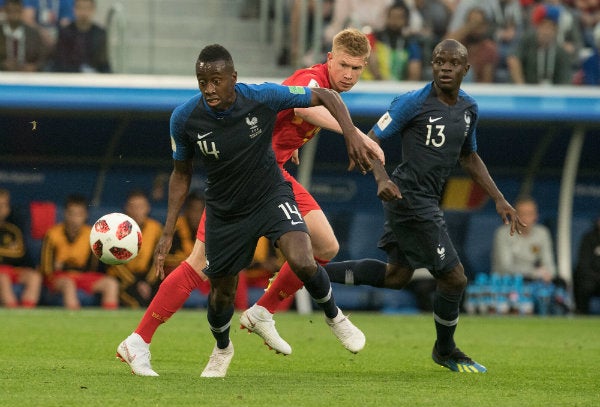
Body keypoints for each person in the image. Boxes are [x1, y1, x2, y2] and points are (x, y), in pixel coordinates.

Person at [115, 31, 382, 376]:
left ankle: (262, 312)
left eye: (356, 68)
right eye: (343, 64)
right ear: (330, 58)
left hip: (272, 179)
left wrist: (291, 139)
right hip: (237, 181)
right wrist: (357, 137)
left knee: (324, 245)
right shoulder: (309, 79)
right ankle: (140, 338)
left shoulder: (291, 88)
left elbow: (286, 105)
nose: (348, 74)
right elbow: (310, 103)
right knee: (199, 264)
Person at [259, 39, 523, 373]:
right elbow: (372, 138)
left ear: (465, 69)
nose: (444, 68)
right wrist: (382, 178)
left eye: (452, 63)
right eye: (439, 61)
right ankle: (445, 349)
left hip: (425, 200)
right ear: (431, 64)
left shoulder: (469, 109)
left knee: (397, 276)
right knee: (455, 279)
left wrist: (499, 198)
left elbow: (468, 156)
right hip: (410, 199)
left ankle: (311, 275)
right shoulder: (412, 103)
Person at [40, 194, 119, 310]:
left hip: (82, 277)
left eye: (79, 215)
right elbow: (46, 269)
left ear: (85, 215)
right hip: (60, 278)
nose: (74, 219)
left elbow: (94, 267)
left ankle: (112, 325)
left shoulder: (92, 235)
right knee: (68, 284)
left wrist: (64, 264)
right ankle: (73, 323)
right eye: (71, 214)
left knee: (111, 284)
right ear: (65, 214)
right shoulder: (52, 234)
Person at [107, 189, 162, 308]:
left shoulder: (156, 228)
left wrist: (147, 282)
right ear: (126, 208)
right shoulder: (116, 229)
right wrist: (136, 283)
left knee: (160, 302)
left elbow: (157, 259)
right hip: (124, 280)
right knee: (136, 303)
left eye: (141, 207)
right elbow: (115, 264)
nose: (137, 211)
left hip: (147, 278)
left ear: (148, 208)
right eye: (134, 207)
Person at [506, 4, 574, 85]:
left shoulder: (560, 52)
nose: (546, 32)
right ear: (537, 27)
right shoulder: (527, 41)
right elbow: (513, 60)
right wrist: (522, 88)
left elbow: (565, 80)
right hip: (528, 90)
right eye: (544, 27)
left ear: (556, 30)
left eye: (550, 28)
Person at [0, 188, 42, 308]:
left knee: (35, 277)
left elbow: (19, 253)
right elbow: (13, 253)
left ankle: (26, 314)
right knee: (3, 279)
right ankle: (13, 312)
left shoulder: (13, 230)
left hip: (12, 270)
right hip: (2, 275)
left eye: (3, 205)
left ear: (8, 209)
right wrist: (9, 251)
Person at [362, 2, 423, 81]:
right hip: (373, 85)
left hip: (398, 89)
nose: (395, 21)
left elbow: (414, 74)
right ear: (386, 17)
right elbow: (372, 64)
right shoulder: (373, 37)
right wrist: (382, 81)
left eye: (399, 17)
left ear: (406, 20)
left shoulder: (410, 43)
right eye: (392, 17)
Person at [50, 0, 110, 73]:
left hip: (95, 78)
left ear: (93, 10)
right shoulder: (65, 33)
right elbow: (60, 63)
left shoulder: (100, 34)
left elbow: (104, 63)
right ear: (74, 9)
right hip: (69, 77)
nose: (83, 12)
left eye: (87, 8)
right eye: (80, 8)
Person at [445, 7, 499, 83]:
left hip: (476, 89)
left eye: (478, 24)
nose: (475, 28)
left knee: (468, 72)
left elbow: (487, 81)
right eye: (471, 23)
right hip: (453, 87)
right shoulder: (459, 42)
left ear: (485, 26)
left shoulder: (489, 48)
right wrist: (469, 27)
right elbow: (444, 45)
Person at [0, 0, 45, 72]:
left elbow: (42, 58)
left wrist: (34, 67)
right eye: (10, 11)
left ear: (22, 11)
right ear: (4, 11)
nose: (13, 14)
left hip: (27, 78)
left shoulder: (33, 34)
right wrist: (2, 65)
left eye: (16, 11)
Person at [573, 215, 600, 314]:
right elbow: (583, 265)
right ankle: (581, 314)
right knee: (583, 282)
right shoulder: (589, 238)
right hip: (592, 279)